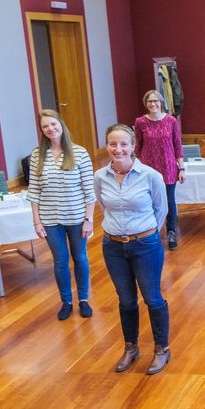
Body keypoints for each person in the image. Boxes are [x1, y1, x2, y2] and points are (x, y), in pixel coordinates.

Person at [94, 124, 172, 375]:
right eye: (113, 144)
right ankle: (131, 347)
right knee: (126, 299)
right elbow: (103, 207)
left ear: (133, 146)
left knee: (152, 297)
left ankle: (162, 349)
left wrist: (144, 233)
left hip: (146, 245)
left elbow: (161, 210)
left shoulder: (151, 176)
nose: (118, 149)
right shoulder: (100, 177)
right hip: (113, 246)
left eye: (123, 144)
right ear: (107, 146)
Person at [27, 109, 96, 320]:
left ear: (61, 125)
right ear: (41, 130)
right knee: (60, 261)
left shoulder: (79, 152)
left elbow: (89, 191)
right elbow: (34, 190)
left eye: (53, 124)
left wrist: (88, 220)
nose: (50, 128)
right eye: (45, 126)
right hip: (50, 219)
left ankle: (83, 299)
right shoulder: (37, 155)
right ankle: (66, 301)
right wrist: (37, 222)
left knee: (80, 258)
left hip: (76, 218)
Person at [134, 89, 184, 250]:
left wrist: (181, 168)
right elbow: (138, 146)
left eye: (156, 101)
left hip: (168, 166)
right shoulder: (140, 122)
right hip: (148, 167)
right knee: (149, 200)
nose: (153, 104)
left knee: (169, 200)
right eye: (150, 101)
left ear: (161, 102)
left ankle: (170, 232)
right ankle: (152, 230)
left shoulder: (171, 121)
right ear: (145, 104)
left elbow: (177, 144)